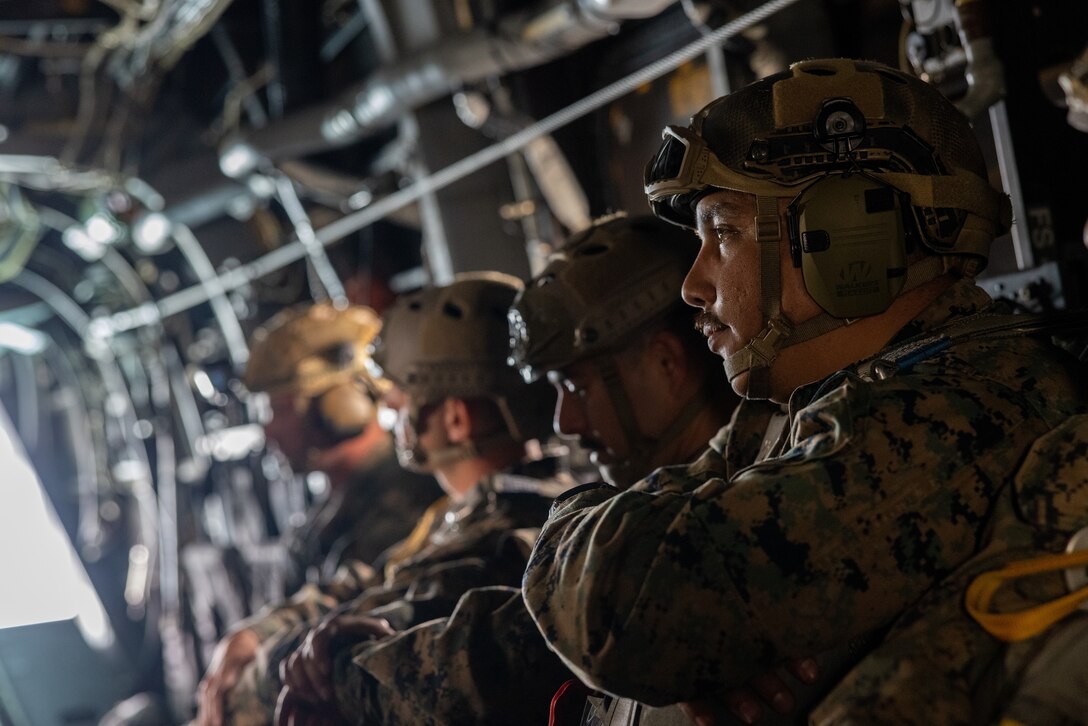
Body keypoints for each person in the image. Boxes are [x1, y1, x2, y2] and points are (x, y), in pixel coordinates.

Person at [521, 57, 1088, 724]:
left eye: (723, 234)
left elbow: (628, 606)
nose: (694, 286)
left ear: (852, 234)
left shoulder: (953, 413)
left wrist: (575, 531)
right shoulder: (802, 409)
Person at [276, 214, 747, 726]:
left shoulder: (716, 509)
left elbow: (507, 649)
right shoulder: (662, 505)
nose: (564, 422)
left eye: (579, 387)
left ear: (666, 364)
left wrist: (344, 679)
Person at [228, 273, 567, 725]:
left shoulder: (505, 530)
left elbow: (412, 608)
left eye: (406, 398)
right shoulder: (459, 511)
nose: (391, 410)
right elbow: (381, 577)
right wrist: (262, 635)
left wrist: (303, 657)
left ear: (456, 419)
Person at [243, 302, 442, 580]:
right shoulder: (327, 513)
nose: (270, 431)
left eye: (282, 410)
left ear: (340, 408)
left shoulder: (410, 497)